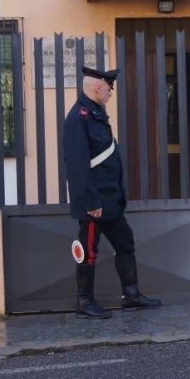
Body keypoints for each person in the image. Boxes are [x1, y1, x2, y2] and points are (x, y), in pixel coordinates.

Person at [62, 66, 162, 319]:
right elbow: (77, 166)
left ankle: (131, 295)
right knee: (88, 250)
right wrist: (91, 201)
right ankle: (84, 301)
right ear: (97, 87)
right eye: (109, 87)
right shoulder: (79, 117)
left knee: (125, 242)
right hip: (94, 202)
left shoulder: (96, 113)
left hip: (110, 199)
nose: (111, 92)